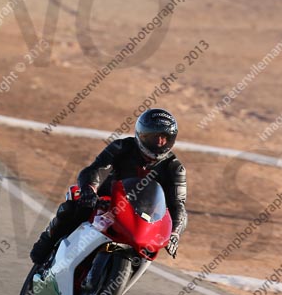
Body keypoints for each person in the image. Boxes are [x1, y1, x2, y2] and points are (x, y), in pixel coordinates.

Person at [30, 108, 187, 264]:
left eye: (164, 137)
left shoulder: (175, 168)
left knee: (151, 246)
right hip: (105, 201)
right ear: (142, 135)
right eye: (154, 137)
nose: (159, 142)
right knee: (75, 199)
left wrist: (174, 233)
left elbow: (178, 204)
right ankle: (46, 243)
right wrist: (90, 190)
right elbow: (95, 169)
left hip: (141, 217)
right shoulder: (122, 147)